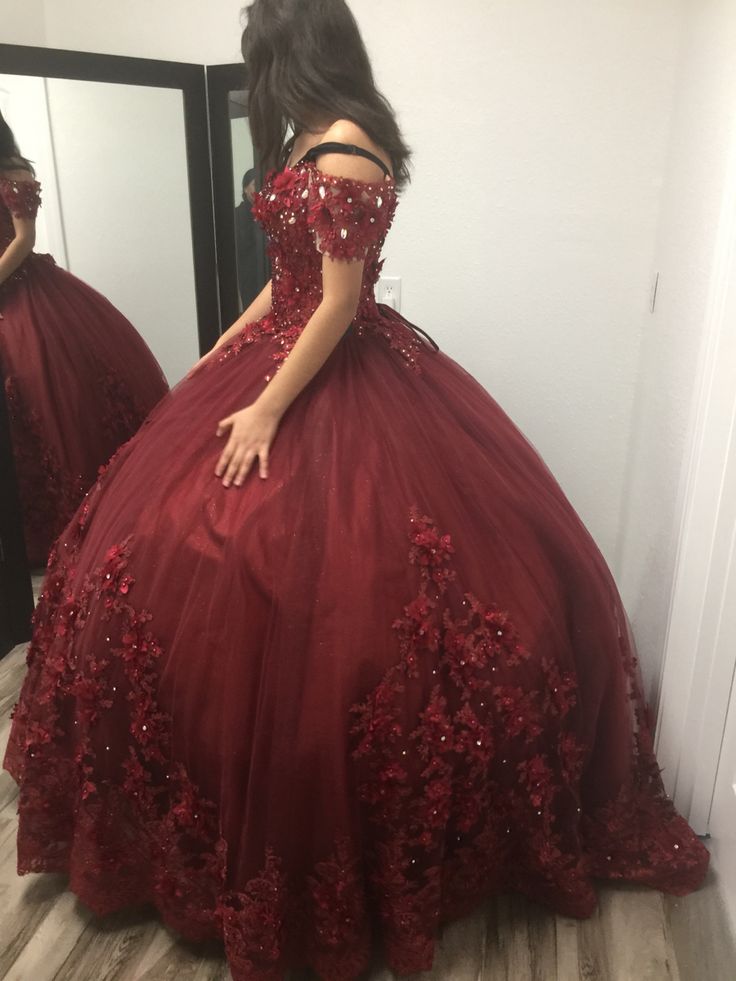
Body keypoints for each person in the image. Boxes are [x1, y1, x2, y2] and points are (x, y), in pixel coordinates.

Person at [3, 2, 709, 979]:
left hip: (338, 375)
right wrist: (231, 342)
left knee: (335, 588)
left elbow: (339, 301)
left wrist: (264, 410)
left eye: (258, 55)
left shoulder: (344, 149)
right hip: (285, 347)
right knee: (168, 548)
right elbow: (287, 279)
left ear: (290, 52)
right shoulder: (314, 135)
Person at [0, 111, 169, 566]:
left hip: (24, 295)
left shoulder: (14, 173)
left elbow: (23, 239)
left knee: (49, 397)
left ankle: (80, 523)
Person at [234, 167, 263, 309]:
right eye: (254, 185)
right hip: (249, 273)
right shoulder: (238, 214)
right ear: (245, 189)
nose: (259, 189)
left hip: (266, 271)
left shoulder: (268, 211)